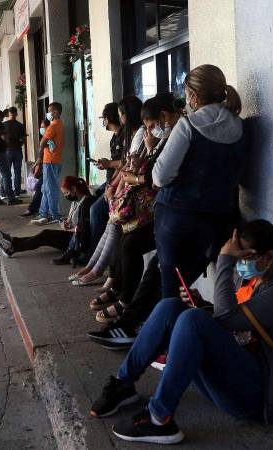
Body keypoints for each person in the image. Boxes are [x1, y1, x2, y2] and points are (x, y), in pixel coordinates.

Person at [90, 221, 273, 445]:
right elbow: (235, 325)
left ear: (268, 257)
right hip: (238, 376)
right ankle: (123, 383)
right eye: (238, 256)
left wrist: (225, 261)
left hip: (262, 397)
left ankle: (158, 419)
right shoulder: (256, 280)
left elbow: (228, 319)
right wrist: (203, 305)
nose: (241, 263)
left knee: (193, 320)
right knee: (171, 307)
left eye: (246, 256)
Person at [87, 93, 182, 340]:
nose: (150, 130)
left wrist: (136, 174)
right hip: (168, 212)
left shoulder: (181, 133)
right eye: (148, 127)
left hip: (174, 215)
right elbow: (147, 169)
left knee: (133, 244)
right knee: (124, 235)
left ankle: (128, 305)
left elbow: (156, 177)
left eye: (152, 125)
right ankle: (116, 288)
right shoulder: (172, 135)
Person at [152, 64, 247, 299]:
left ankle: (165, 332)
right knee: (185, 279)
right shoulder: (240, 126)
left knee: (169, 290)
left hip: (176, 215)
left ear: (193, 96)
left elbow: (161, 176)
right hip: (216, 220)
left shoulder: (188, 125)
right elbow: (238, 175)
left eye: (186, 94)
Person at [88, 97, 144, 260]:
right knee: (92, 207)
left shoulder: (139, 134)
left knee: (100, 213)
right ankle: (93, 261)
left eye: (121, 115)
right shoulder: (129, 135)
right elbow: (125, 166)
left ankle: (100, 264)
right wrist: (111, 186)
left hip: (132, 187)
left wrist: (114, 189)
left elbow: (128, 167)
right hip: (119, 183)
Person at [0, 176, 95, 264]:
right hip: (73, 235)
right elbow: (74, 223)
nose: (65, 196)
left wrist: (71, 227)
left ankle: (12, 248)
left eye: (66, 193)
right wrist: (66, 224)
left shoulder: (86, 203)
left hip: (77, 240)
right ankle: (12, 241)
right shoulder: (76, 202)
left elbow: (83, 228)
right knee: (44, 235)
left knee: (45, 235)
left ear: (74, 189)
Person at [31, 102, 65, 225]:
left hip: (50, 160)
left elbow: (42, 143)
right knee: (46, 188)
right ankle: (44, 212)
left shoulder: (53, 126)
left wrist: (39, 158)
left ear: (55, 112)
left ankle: (53, 214)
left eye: (49, 111)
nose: (48, 114)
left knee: (50, 189)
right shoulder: (59, 124)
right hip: (52, 160)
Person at [21, 118, 49, 218]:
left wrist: (35, 165)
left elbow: (42, 157)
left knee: (40, 187)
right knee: (41, 188)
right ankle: (36, 209)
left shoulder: (48, 139)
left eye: (43, 127)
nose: (41, 129)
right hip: (46, 166)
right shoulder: (46, 138)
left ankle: (34, 209)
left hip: (48, 166)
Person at [3, 106, 26, 195]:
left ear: (9, 114)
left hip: (7, 151)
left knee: (6, 172)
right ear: (16, 114)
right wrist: (19, 144)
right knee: (17, 172)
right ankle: (17, 191)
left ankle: (5, 192)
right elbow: (23, 140)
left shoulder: (4, 125)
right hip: (17, 151)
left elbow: (2, 138)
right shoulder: (20, 125)